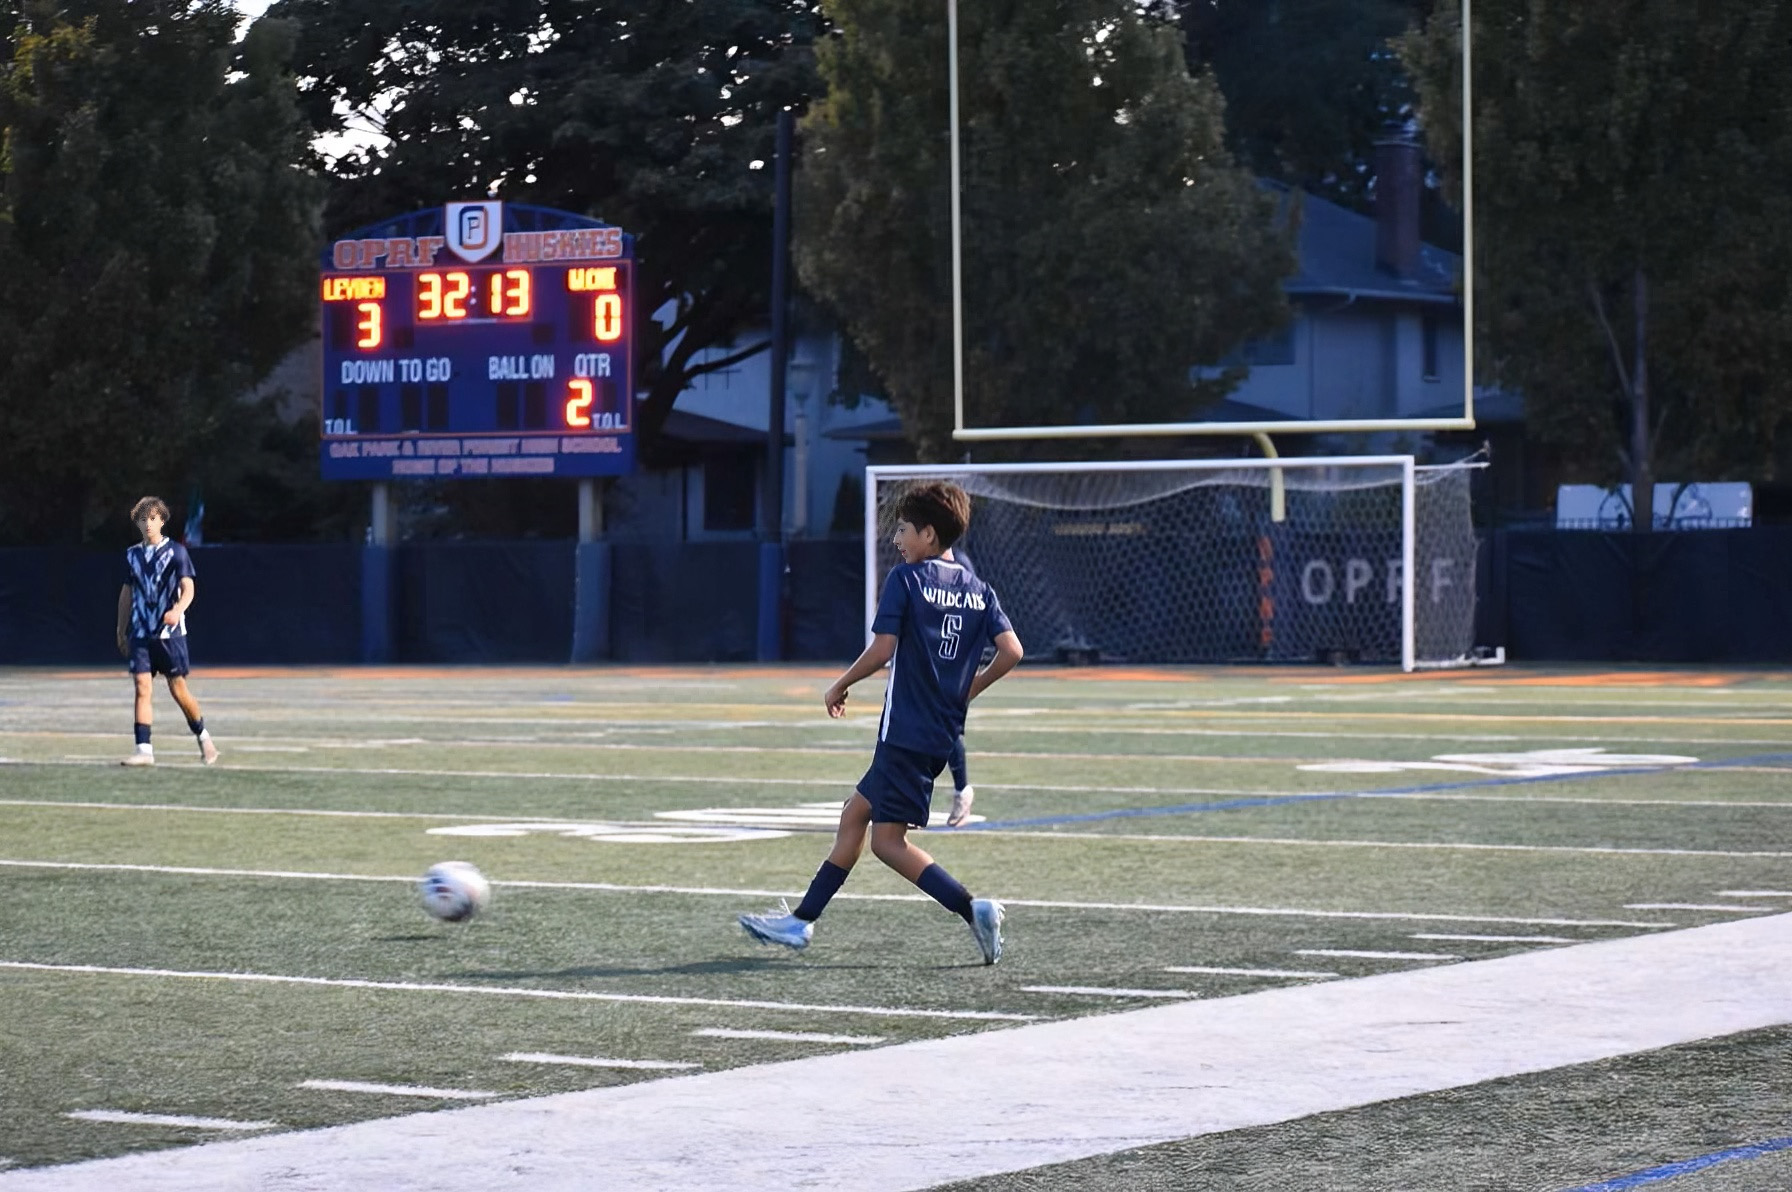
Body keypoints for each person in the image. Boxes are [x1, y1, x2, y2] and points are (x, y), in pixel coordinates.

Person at [738, 481, 1023, 963]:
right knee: (854, 815)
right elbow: (1012, 650)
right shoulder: (979, 589)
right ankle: (801, 922)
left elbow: (883, 650)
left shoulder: (907, 581)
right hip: (936, 734)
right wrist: (967, 689)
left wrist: (840, 683)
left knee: (888, 844)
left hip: (905, 732)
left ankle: (972, 907)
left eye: (904, 529)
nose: (896, 539)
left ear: (929, 535)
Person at [116, 496, 218, 767]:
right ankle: (144, 750)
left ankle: (204, 737)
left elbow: (189, 588)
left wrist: (178, 610)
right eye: (142, 519)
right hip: (140, 632)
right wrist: (120, 628)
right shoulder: (132, 555)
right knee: (141, 687)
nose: (147, 524)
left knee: (178, 689)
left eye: (152, 518)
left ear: (162, 520)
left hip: (168, 635)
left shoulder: (176, 552)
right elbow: (127, 593)